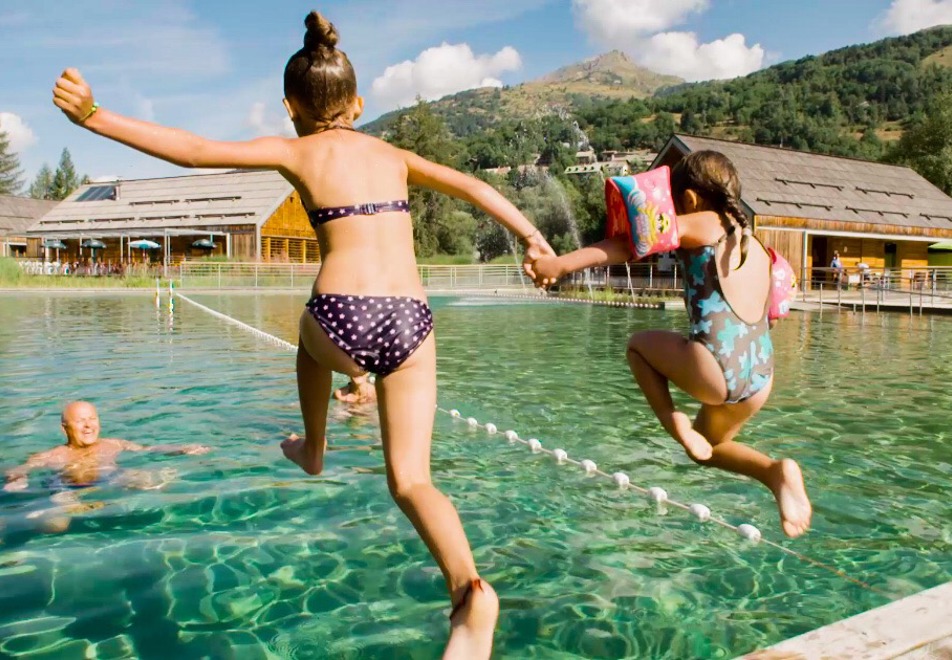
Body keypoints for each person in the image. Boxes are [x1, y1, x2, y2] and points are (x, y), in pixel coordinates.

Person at [52, 12, 553, 657]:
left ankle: (315, 446)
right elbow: (476, 187)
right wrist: (535, 239)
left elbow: (196, 150)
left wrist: (95, 116)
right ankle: (469, 589)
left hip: (342, 314)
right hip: (413, 321)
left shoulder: (296, 149)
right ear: (360, 104)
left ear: (290, 107)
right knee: (413, 481)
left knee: (306, 336)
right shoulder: (395, 154)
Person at [527, 151, 812, 539]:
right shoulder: (757, 247)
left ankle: (674, 423)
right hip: (760, 376)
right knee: (711, 448)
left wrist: (559, 266)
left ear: (690, 199)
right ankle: (774, 473)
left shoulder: (703, 222)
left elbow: (632, 246)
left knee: (638, 346)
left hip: (715, 366)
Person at [3, 401, 209, 492]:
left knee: (155, 481)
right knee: (57, 522)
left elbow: (148, 449)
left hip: (110, 480)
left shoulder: (113, 444)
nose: (88, 425)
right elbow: (23, 468)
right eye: (80, 421)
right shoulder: (54, 454)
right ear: (64, 428)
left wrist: (181, 448)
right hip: (66, 488)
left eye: (92, 419)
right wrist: (18, 477)